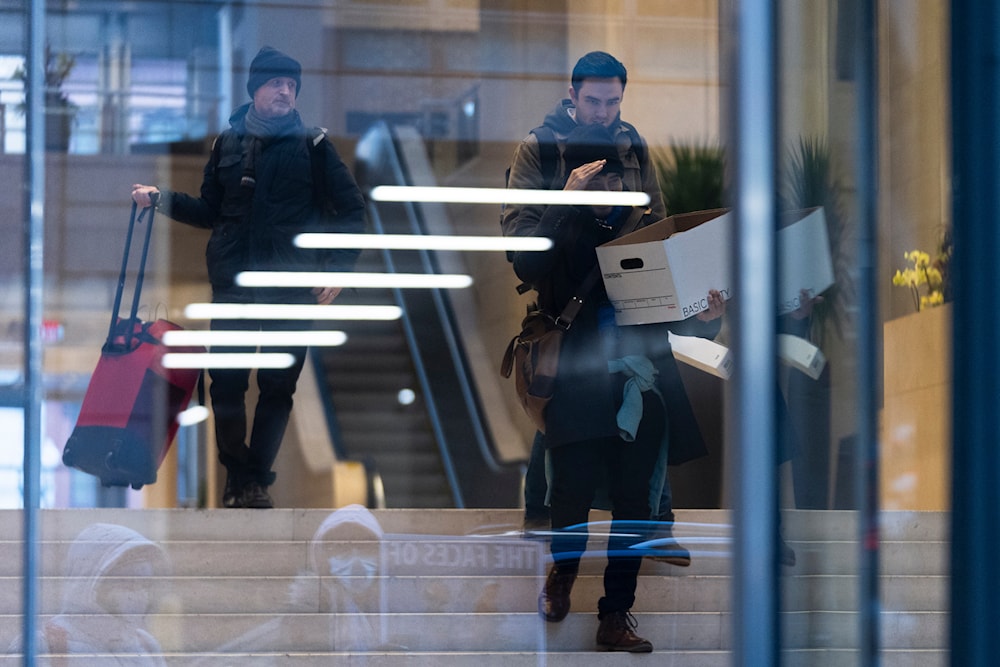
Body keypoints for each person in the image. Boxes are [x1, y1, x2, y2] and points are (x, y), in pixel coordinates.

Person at [506, 123, 725, 653]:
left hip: (639, 381)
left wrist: (710, 316)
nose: (608, 191)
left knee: (633, 505)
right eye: (597, 181)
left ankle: (615, 614)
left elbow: (675, 315)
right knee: (571, 494)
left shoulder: (646, 232)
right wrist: (563, 203)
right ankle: (560, 578)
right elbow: (528, 264)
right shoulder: (560, 234)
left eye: (615, 180)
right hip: (577, 382)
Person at [131, 46, 367, 509]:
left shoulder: (314, 146)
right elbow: (209, 211)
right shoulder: (227, 144)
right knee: (228, 385)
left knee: (279, 386)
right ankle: (237, 476)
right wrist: (161, 199)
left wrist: (336, 267)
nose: (285, 92)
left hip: (291, 287)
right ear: (255, 90)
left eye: (291, 86)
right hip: (235, 286)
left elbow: (353, 211)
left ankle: (255, 481)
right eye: (276, 84)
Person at [501, 50, 689, 563]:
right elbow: (522, 251)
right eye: (592, 101)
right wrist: (568, 196)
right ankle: (541, 511)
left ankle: (655, 522)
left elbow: (658, 224)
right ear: (572, 95)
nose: (603, 111)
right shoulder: (539, 148)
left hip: (626, 298)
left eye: (612, 101)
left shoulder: (633, 147)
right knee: (562, 403)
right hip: (566, 302)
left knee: (647, 401)